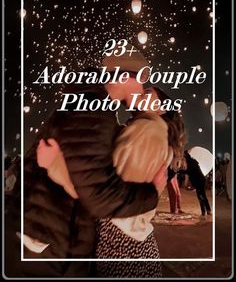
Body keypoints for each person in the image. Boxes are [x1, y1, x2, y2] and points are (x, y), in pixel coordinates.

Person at [5, 47, 166, 278]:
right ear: (126, 76)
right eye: (142, 81)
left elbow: (86, 176)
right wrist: (151, 192)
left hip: (52, 236)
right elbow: (98, 195)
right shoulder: (93, 106)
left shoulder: (94, 105)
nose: (142, 90)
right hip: (45, 243)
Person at [95, 87, 186, 277]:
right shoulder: (158, 132)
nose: (139, 91)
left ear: (161, 108)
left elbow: (108, 175)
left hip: (119, 238)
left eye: (147, 92)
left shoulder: (147, 128)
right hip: (138, 236)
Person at [182, 150, 211, 217]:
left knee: (201, 196)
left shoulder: (190, 163)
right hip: (200, 180)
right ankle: (207, 210)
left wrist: (179, 171)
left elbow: (188, 171)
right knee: (202, 195)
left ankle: (204, 211)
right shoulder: (192, 161)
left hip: (199, 181)